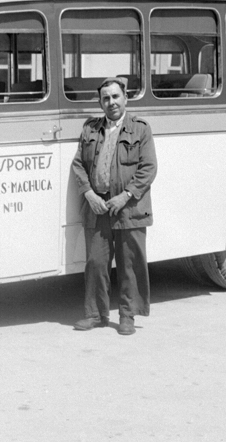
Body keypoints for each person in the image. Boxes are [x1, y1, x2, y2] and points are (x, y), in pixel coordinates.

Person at [71, 77, 157, 336]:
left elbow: (148, 168)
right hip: (98, 207)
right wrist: (88, 193)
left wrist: (126, 196)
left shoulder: (140, 129)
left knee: (129, 263)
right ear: (100, 103)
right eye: (105, 98)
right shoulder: (90, 129)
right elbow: (78, 165)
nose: (111, 102)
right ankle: (96, 314)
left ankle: (127, 315)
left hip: (129, 207)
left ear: (126, 99)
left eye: (115, 97)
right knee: (96, 262)